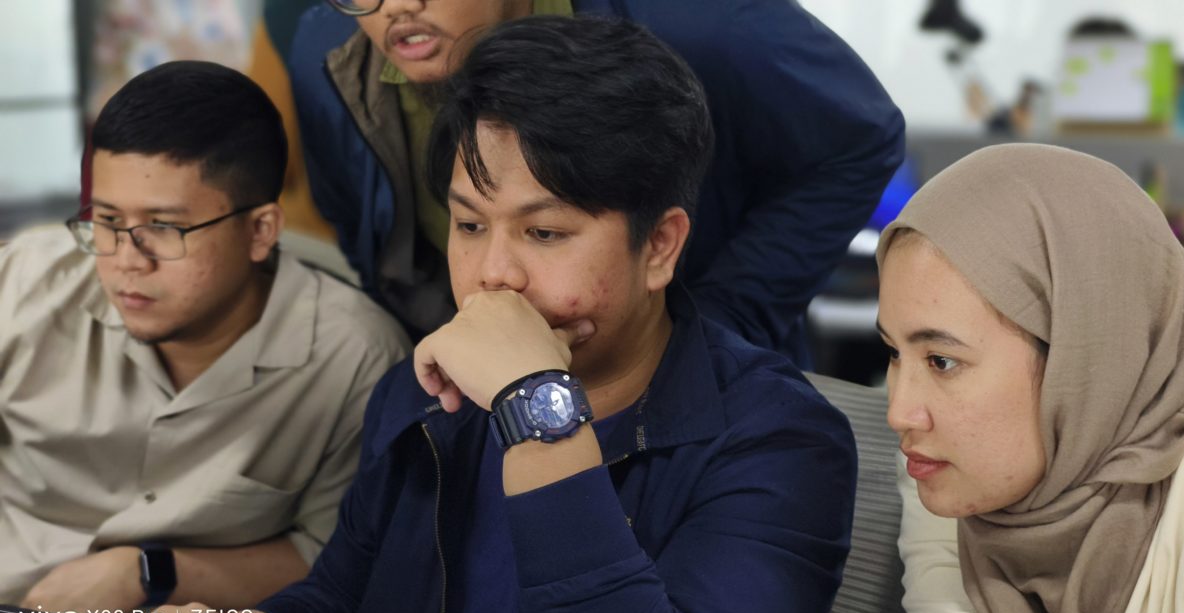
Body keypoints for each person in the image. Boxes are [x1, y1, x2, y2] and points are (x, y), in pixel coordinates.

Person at [142, 17, 858, 613]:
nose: (493, 274)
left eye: (544, 232)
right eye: (469, 226)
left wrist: (535, 409)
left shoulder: (779, 440)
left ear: (660, 247)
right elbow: (341, 604)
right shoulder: (427, 398)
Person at [282, 0, 905, 364]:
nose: (393, 7)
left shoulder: (700, 20)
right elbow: (369, 243)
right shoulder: (331, 56)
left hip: (691, 392)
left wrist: (720, 322)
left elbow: (859, 138)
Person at [0, 61, 409, 613]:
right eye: (108, 221)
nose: (127, 261)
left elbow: (338, 558)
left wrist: (146, 573)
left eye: (163, 228)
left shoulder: (355, 358)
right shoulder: (24, 282)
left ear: (260, 231)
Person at [875, 144, 1184, 613]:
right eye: (892, 352)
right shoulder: (943, 474)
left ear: (1085, 360)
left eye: (941, 361)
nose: (900, 413)